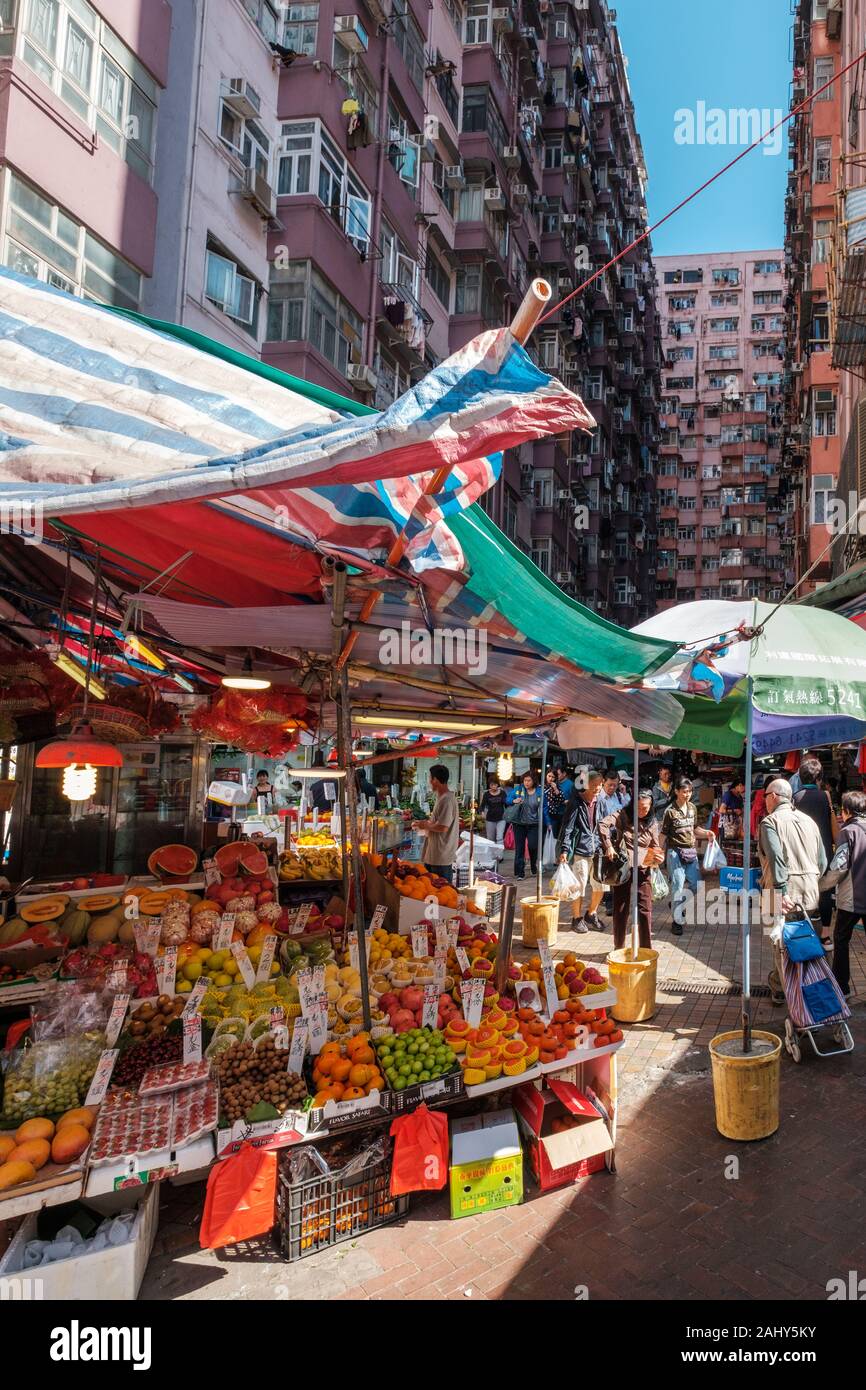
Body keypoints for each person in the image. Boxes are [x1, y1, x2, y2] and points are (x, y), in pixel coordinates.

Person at [759, 778, 828, 1001]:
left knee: (780, 946)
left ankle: (791, 998)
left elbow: (776, 858)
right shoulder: (810, 822)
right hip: (810, 893)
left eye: (765, 796)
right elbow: (822, 862)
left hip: (780, 895)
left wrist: (781, 889)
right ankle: (784, 988)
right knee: (805, 947)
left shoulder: (770, 822)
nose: (764, 801)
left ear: (774, 797)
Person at [598, 785, 664, 951]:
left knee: (645, 909)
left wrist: (659, 857)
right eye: (639, 807)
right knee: (620, 909)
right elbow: (602, 825)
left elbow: (656, 847)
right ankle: (618, 948)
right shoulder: (622, 815)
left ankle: (645, 950)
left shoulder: (653, 823)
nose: (642, 811)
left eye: (645, 808)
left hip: (644, 869)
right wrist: (609, 847)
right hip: (623, 868)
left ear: (651, 807)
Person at [820, 789, 866, 998]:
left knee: (841, 939)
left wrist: (821, 885)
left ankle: (842, 987)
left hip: (852, 898)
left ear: (846, 811)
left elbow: (839, 866)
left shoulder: (848, 832)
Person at [660, 777, 716, 936]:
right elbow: (663, 834)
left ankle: (677, 904)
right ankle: (677, 921)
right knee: (677, 887)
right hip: (675, 853)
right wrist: (658, 852)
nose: (687, 794)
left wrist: (707, 833)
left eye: (689, 791)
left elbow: (695, 828)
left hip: (690, 852)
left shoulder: (692, 808)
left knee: (697, 884)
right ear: (676, 791)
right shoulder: (669, 811)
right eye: (684, 791)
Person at [793, 756, 837, 931]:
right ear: (819, 779)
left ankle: (805, 928)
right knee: (825, 891)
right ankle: (826, 933)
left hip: (802, 852)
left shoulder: (795, 798)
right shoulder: (825, 797)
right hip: (824, 850)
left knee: (803, 888)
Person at [557, 771, 603, 933]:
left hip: (598, 850)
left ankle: (591, 913)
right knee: (579, 885)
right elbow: (568, 828)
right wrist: (564, 849)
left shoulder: (600, 802)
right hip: (580, 850)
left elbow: (604, 826)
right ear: (587, 785)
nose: (598, 788)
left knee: (600, 885)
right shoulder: (576, 802)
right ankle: (576, 918)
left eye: (600, 784)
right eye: (595, 785)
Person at [411, 764, 459, 883]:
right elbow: (438, 822)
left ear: (435, 780)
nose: (429, 782)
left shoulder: (446, 800)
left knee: (441, 891)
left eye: (430, 779)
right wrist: (424, 823)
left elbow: (443, 827)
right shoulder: (441, 797)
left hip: (441, 857)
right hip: (434, 854)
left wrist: (425, 825)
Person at [510, 772, 541, 880]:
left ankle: (533, 865)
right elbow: (507, 799)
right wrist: (514, 800)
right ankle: (520, 872)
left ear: (533, 781)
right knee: (520, 848)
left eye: (529, 780)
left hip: (534, 824)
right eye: (525, 780)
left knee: (533, 846)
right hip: (519, 823)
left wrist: (548, 823)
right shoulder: (518, 789)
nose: (526, 783)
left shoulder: (539, 791)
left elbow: (544, 807)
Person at [479, 777, 507, 845]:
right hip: (490, 819)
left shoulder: (502, 793)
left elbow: (507, 804)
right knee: (490, 839)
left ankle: (499, 855)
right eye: (491, 785)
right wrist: (482, 812)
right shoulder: (486, 794)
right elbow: (482, 805)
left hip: (501, 818)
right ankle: (491, 855)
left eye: (495, 784)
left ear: (497, 784)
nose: (493, 786)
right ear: (489, 785)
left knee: (499, 837)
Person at [750, 773, 776, 840]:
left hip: (763, 818)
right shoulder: (761, 793)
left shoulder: (767, 792)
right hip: (760, 818)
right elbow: (758, 808)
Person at [720, 777, 745, 842]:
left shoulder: (739, 797)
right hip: (728, 826)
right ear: (740, 785)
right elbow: (721, 810)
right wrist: (734, 811)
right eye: (744, 787)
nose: (745, 790)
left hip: (737, 826)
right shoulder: (728, 795)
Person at [544, 768, 567, 838]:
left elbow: (562, 799)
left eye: (553, 777)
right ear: (546, 776)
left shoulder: (557, 788)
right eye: (549, 776)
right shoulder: (541, 787)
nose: (550, 778)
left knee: (552, 836)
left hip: (552, 816)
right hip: (542, 815)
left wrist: (555, 788)